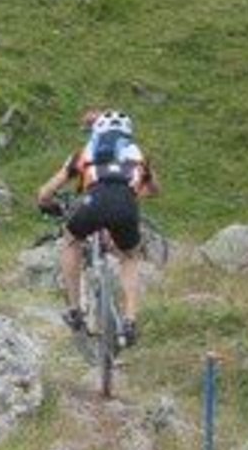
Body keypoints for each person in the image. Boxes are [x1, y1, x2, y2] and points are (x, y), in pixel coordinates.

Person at [36, 109, 160, 347]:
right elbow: (154, 190)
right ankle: (130, 320)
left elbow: (45, 192)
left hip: (94, 202)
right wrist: (136, 188)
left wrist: (46, 203)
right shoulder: (138, 155)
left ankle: (74, 309)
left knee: (71, 241)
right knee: (129, 258)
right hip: (126, 204)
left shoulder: (84, 154)